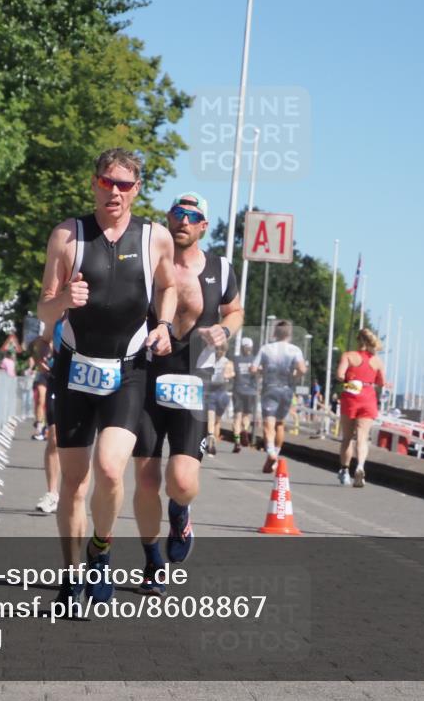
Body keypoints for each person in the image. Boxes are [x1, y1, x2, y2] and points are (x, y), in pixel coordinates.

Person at [38, 148, 176, 605]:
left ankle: (101, 548)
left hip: (128, 370)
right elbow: (44, 306)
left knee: (111, 468)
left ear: (137, 189)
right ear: (94, 183)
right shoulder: (67, 234)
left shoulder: (155, 237)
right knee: (74, 482)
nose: (113, 192)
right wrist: (64, 303)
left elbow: (169, 286)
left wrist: (164, 325)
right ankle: (72, 577)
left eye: (123, 184)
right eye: (105, 182)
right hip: (75, 368)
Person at [132, 193, 242, 595]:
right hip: (145, 378)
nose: (182, 221)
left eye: (191, 216)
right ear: (168, 219)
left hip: (192, 381)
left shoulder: (220, 268)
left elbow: (235, 310)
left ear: (203, 226)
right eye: (176, 214)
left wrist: (224, 331)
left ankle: (180, 513)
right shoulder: (148, 263)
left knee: (180, 480)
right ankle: (151, 560)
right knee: (145, 479)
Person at [252, 320, 307, 473]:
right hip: (287, 389)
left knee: (268, 423)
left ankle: (270, 452)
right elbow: (302, 369)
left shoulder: (266, 349)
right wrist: (294, 375)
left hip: (270, 388)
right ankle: (275, 454)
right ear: (289, 334)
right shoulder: (295, 350)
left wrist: (262, 372)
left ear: (275, 333)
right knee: (280, 424)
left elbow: (253, 368)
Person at [336, 328, 387, 487]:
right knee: (362, 437)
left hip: (351, 396)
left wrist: (350, 379)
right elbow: (382, 382)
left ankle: (345, 471)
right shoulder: (377, 361)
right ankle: (360, 466)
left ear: (358, 340)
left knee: (347, 437)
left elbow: (339, 375)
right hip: (368, 398)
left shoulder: (348, 356)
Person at [34, 321, 65, 512]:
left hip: (89, 381)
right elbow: (42, 341)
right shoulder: (58, 315)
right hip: (58, 377)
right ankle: (52, 493)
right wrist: (40, 355)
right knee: (54, 437)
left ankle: (74, 492)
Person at [205, 344, 234, 456]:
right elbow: (231, 373)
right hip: (221, 394)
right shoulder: (227, 362)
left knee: (212, 420)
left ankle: (211, 436)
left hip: (216, 393)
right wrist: (229, 375)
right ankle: (213, 444)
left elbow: (230, 373)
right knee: (216, 421)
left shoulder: (225, 362)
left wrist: (228, 374)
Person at [230, 337, 258, 453]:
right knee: (246, 416)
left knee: (237, 418)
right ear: (251, 348)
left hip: (238, 390)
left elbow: (231, 374)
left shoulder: (235, 360)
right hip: (251, 391)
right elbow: (259, 372)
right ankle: (245, 430)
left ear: (241, 347)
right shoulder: (255, 360)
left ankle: (237, 442)